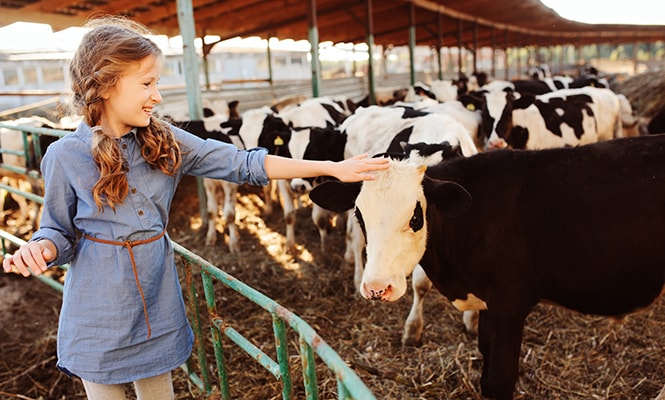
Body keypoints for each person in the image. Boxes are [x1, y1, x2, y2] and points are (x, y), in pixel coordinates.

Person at [1, 16, 388, 400]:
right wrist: (42, 248)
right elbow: (57, 231)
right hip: (97, 312)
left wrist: (329, 167)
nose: (157, 95)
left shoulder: (164, 139)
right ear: (105, 85)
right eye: (147, 83)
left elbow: (243, 163)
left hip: (157, 300)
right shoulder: (65, 156)